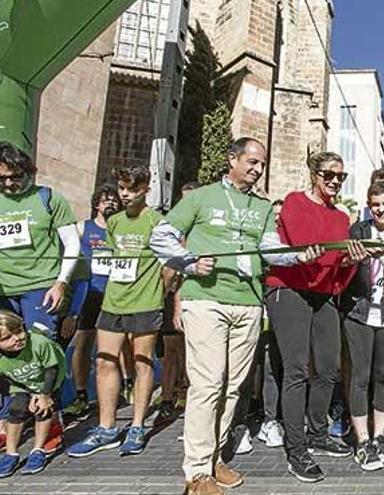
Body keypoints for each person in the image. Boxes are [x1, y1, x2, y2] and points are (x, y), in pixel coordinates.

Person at [151, 137, 286, 495]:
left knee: (232, 388)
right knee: (208, 384)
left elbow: (272, 250)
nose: (257, 169)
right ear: (232, 159)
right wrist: (189, 261)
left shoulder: (262, 206)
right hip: (206, 300)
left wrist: (306, 254)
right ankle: (196, 473)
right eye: (252, 161)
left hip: (249, 302)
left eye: (262, 163)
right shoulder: (201, 196)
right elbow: (161, 237)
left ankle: (213, 459)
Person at [264, 151, 374, 483]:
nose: (335, 181)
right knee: (296, 369)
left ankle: (317, 432)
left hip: (322, 292)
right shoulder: (296, 202)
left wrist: (354, 257)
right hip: (289, 288)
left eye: (340, 176)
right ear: (314, 174)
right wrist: (331, 255)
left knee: (328, 367)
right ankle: (296, 450)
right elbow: (304, 248)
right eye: (329, 175)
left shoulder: (342, 217)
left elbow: (334, 263)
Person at [66, 165, 166, 458]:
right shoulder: (115, 222)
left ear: (146, 189)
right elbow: (108, 259)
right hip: (113, 301)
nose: (125, 195)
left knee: (142, 362)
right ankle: (107, 427)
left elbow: (171, 263)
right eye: (122, 189)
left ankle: (137, 426)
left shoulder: (157, 221)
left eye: (132, 190)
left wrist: (162, 290)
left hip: (145, 302)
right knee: (105, 360)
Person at [0, 142, 79, 450]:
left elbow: (72, 244)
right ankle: (8, 424)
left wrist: (60, 283)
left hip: (40, 288)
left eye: (15, 176)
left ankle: (51, 419)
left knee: (40, 355)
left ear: (28, 172)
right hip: (5, 290)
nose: (9, 183)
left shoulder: (48, 198)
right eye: (2, 178)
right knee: (6, 356)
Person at [341, 178, 384, 471]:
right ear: (369, 207)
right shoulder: (360, 229)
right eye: (375, 205)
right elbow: (344, 261)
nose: (380, 210)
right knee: (360, 376)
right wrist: (357, 259)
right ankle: (362, 439)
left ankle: (379, 435)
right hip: (360, 312)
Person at [62, 184, 121, 417]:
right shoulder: (82, 228)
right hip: (89, 291)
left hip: (116, 292)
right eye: (106, 200)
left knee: (121, 343)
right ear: (97, 204)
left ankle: (124, 388)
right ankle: (81, 395)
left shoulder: (120, 228)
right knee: (84, 342)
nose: (111, 204)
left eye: (114, 200)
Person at [153, 181, 201, 428]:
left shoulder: (200, 232)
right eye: (183, 199)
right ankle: (167, 396)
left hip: (193, 295)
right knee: (171, 348)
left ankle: (186, 391)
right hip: (171, 295)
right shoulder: (174, 230)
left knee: (189, 351)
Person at [0, 310, 66, 477]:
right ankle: (11, 453)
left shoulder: (38, 342)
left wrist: (44, 395)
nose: (17, 338)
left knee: (42, 410)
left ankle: (38, 449)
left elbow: (52, 370)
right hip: (21, 382)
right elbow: (5, 381)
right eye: (7, 338)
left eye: (19, 331)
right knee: (16, 409)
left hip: (48, 378)